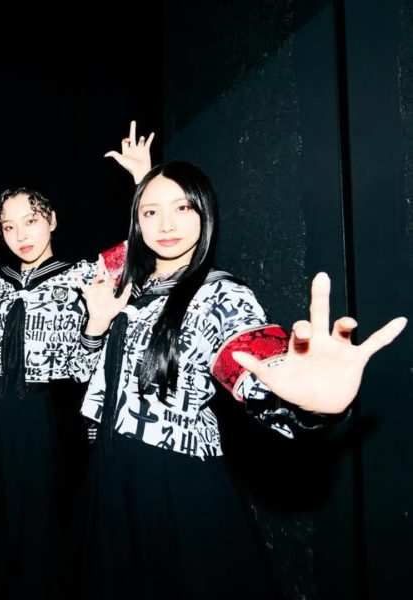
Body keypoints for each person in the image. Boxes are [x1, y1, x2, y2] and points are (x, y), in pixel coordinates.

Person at [73, 160, 407, 599]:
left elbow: (248, 354)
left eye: (182, 208)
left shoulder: (219, 294)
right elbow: (84, 374)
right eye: (151, 212)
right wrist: (96, 327)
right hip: (110, 470)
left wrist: (306, 402)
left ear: (206, 213)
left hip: (173, 483)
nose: (166, 224)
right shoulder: (126, 286)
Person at [0, 123, 153, 599]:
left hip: (49, 413)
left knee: (48, 527)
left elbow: (144, 247)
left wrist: (144, 182)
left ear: (53, 221)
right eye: (9, 226)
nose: (20, 234)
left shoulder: (83, 276)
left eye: (31, 221)